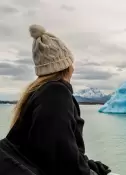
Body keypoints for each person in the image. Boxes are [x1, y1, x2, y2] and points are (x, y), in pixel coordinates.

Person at [0, 24, 111, 175]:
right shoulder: (55, 93)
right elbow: (61, 154)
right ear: (66, 66)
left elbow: (44, 148)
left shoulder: (38, 91)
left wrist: (88, 164)